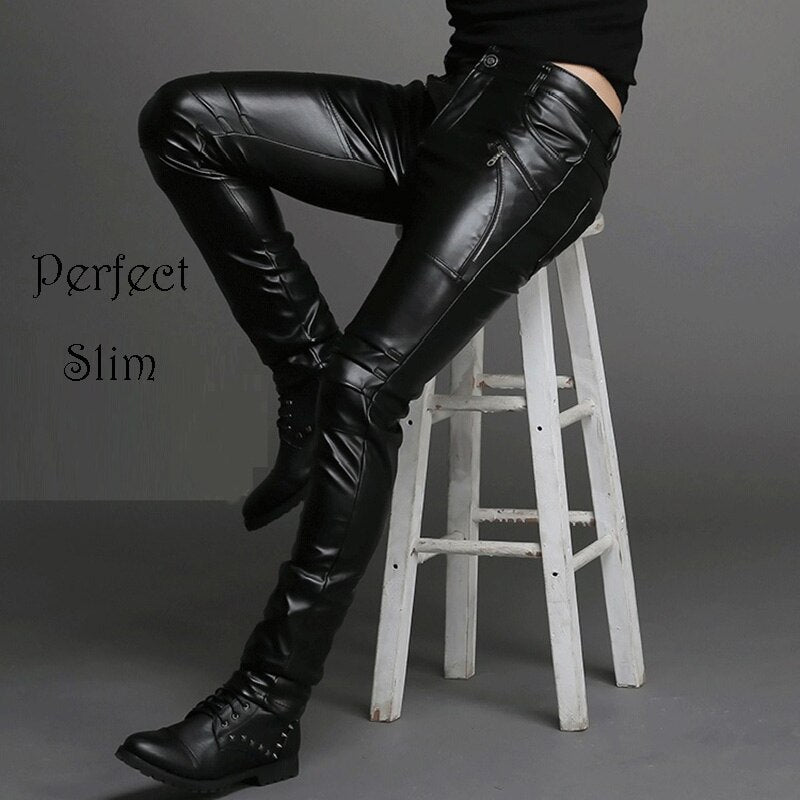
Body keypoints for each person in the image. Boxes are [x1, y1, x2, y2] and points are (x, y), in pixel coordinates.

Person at [116, 0, 647, 791]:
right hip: (452, 105)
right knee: (185, 120)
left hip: (546, 132)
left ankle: (267, 708)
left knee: (363, 386)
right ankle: (305, 381)